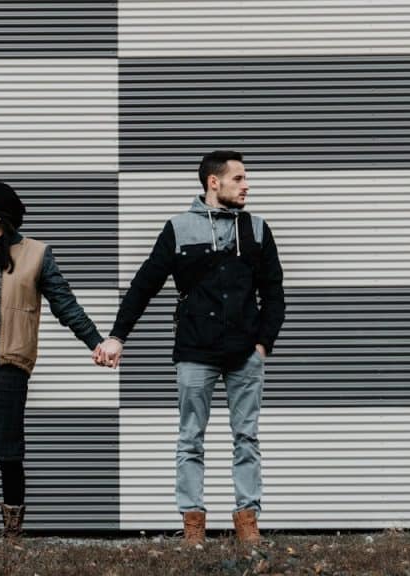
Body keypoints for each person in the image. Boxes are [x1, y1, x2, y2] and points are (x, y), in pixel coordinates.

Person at [94, 150, 285, 545]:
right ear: (213, 183)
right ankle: (193, 525)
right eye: (238, 178)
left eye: (245, 178)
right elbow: (144, 285)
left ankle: (248, 523)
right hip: (195, 352)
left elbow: (274, 294)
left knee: (246, 437)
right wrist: (117, 335)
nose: (246, 185)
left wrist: (263, 345)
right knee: (190, 438)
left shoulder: (258, 230)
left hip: (244, 355)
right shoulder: (179, 229)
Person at [0, 181, 105, 546]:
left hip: (8, 366)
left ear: (0, 210)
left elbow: (66, 306)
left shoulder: (36, 254)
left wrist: (96, 341)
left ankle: (12, 535)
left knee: (10, 452)